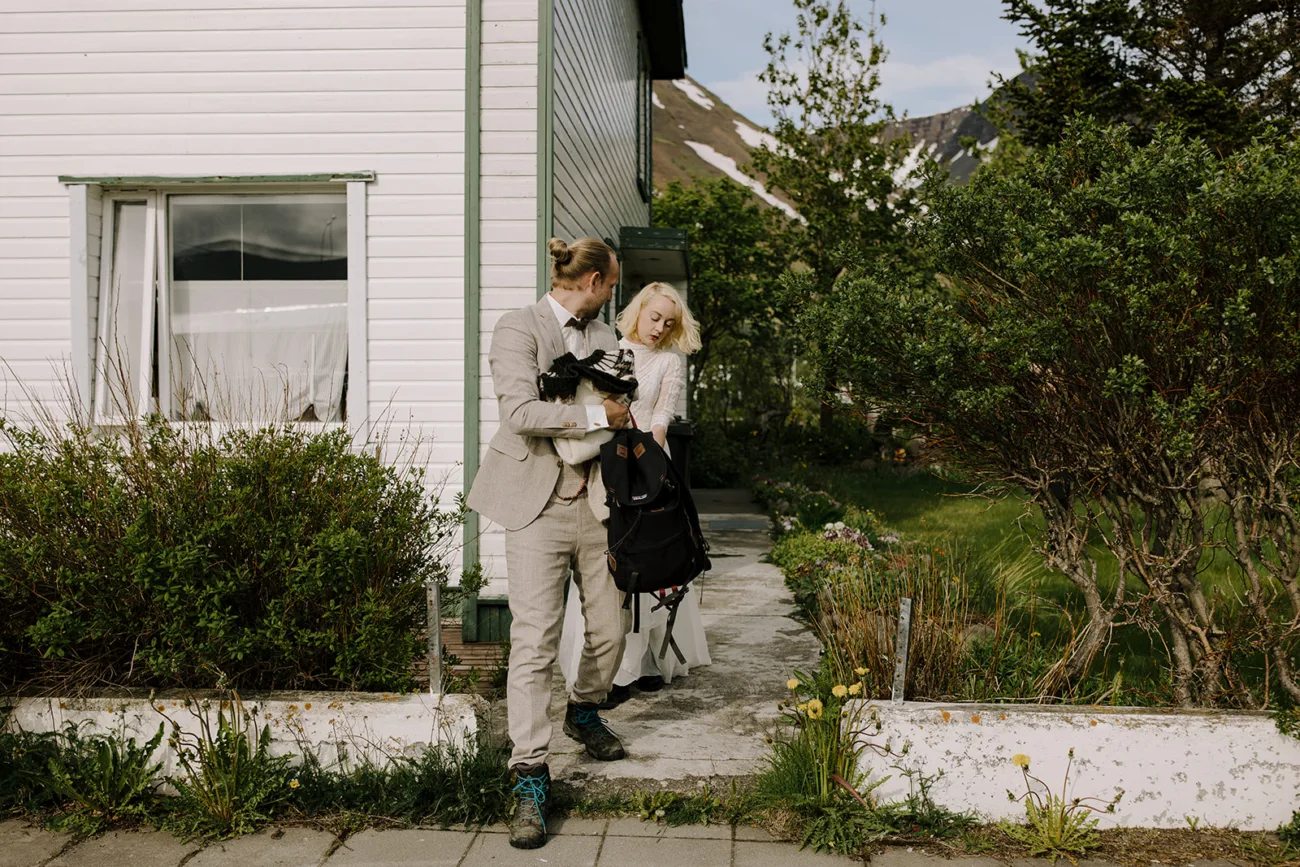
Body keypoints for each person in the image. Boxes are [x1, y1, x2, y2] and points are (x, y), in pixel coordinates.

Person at [466, 237, 633, 850]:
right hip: (535, 504)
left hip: (598, 504)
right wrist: (597, 415)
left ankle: (584, 709)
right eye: (610, 285)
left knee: (612, 629)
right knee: (534, 640)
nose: (612, 295)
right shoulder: (519, 327)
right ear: (590, 279)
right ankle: (530, 776)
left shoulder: (608, 338)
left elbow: (622, 403)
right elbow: (519, 413)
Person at [558, 281, 710, 705]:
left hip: (646, 462)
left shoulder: (669, 362)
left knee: (651, 556)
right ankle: (612, 669)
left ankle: (644, 664)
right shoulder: (610, 348)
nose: (659, 328)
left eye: (668, 322)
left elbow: (661, 414)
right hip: (606, 462)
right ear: (639, 311)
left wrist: (649, 453)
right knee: (614, 561)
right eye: (654, 317)